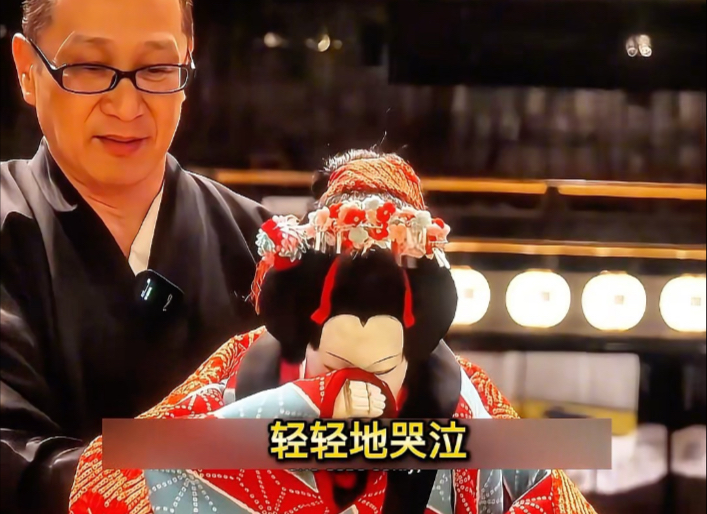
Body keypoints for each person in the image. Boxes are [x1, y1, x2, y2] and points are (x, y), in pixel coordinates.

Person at [69, 150, 597, 514]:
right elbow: (108, 474)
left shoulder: (467, 396)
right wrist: (301, 405)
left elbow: (553, 496)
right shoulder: (246, 360)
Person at [0, 0, 270, 513]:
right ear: (28, 69)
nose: (126, 106)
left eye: (157, 69)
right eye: (88, 67)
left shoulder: (268, 246)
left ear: (187, 62)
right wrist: (228, 457)